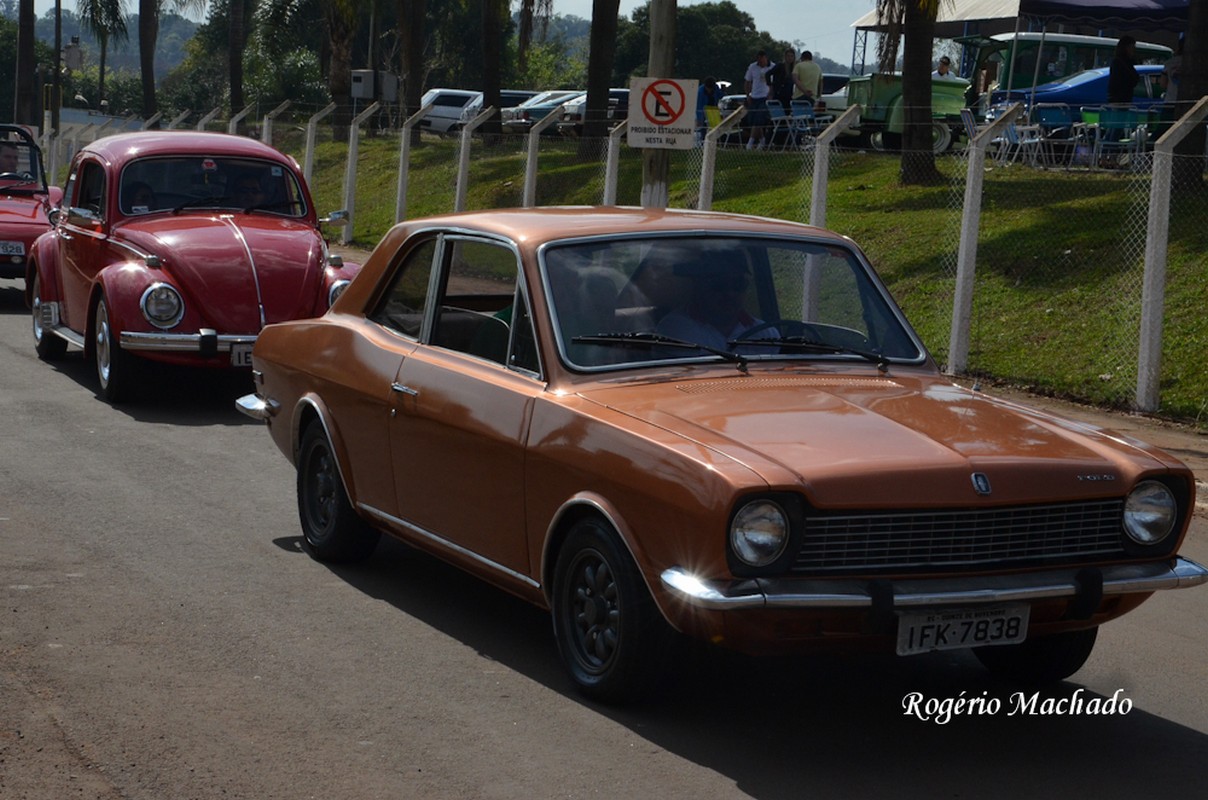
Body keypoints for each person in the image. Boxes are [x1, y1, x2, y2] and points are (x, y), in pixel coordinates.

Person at [657, 261, 777, 352]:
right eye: (719, 284)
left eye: (738, 284)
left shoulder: (765, 333)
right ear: (699, 286)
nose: (730, 293)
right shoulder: (676, 329)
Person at [743, 50, 775, 150]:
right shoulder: (752, 67)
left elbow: (774, 83)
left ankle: (750, 142)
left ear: (766, 58)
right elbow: (747, 81)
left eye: (762, 60)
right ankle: (762, 140)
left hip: (765, 97)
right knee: (753, 121)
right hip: (754, 97)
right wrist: (748, 95)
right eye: (759, 60)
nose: (761, 62)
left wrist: (770, 95)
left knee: (759, 119)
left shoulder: (772, 67)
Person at [1107, 35, 1138, 104]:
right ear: (1126, 48)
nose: (1133, 50)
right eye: (1132, 47)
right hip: (1120, 99)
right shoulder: (1120, 63)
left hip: (1123, 98)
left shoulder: (1126, 62)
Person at [696, 76, 725, 143]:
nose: (710, 90)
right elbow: (698, 106)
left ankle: (715, 141)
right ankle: (703, 142)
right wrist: (699, 119)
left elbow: (720, 96)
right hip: (703, 111)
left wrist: (723, 90)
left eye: (711, 88)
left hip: (714, 111)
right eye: (708, 88)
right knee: (704, 128)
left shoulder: (716, 88)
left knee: (715, 128)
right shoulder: (700, 92)